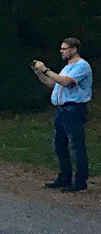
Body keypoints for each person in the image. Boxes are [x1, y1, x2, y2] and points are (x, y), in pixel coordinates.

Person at [32, 38, 92, 192]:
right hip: (61, 110)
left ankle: (80, 182)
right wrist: (40, 73)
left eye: (65, 49)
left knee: (76, 146)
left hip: (74, 109)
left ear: (74, 49)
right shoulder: (67, 67)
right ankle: (64, 177)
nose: (62, 51)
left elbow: (66, 82)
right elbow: (53, 83)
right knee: (60, 144)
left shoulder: (82, 66)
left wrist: (46, 69)